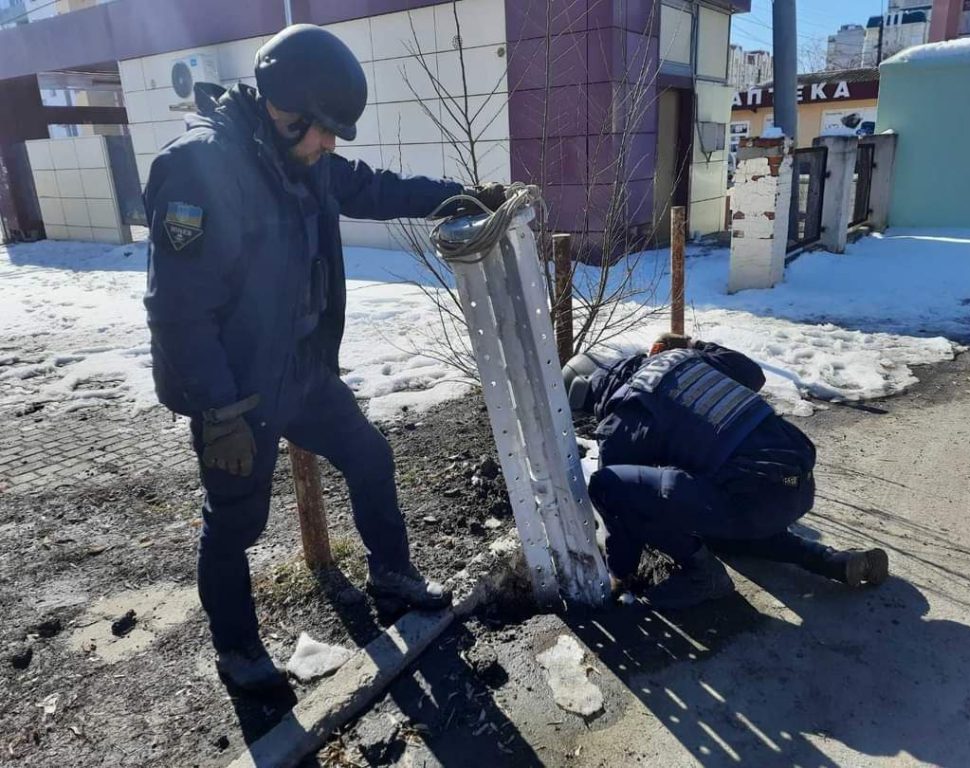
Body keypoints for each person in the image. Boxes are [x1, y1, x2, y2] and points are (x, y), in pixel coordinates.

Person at [143, 24, 505, 691]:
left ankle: (391, 576)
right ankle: (239, 652)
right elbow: (177, 311)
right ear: (285, 112)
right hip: (234, 392)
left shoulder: (301, 160)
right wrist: (218, 410)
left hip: (299, 371)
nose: (330, 144)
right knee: (235, 523)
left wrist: (458, 195)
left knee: (370, 455)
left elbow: (377, 188)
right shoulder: (200, 167)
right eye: (323, 130)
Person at [562, 333, 889, 603]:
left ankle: (703, 577)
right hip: (797, 484)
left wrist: (620, 571)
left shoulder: (624, 414)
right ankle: (832, 560)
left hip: (751, 498)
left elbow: (624, 508)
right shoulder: (681, 360)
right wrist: (693, 345)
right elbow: (752, 374)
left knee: (608, 485)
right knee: (722, 511)